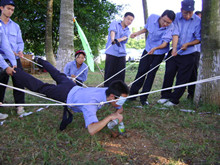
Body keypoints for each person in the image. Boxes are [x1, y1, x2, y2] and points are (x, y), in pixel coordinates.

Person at [10, 57, 129, 136]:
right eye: (122, 100)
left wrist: (119, 109)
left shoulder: (107, 91)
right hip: (65, 94)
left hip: (71, 85)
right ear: (112, 96)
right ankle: (15, 72)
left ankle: (39, 60)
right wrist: (110, 117)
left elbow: (116, 103)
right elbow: (92, 130)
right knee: (40, 87)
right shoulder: (92, 103)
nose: (122, 102)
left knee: (57, 74)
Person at [157, 0, 201, 106]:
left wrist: (188, 44)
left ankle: (174, 100)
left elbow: (198, 39)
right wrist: (174, 49)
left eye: (190, 12)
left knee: (182, 77)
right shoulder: (176, 17)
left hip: (189, 53)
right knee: (169, 73)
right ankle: (165, 95)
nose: (188, 15)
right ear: (181, 10)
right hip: (175, 51)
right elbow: (175, 33)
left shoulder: (197, 20)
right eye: (185, 12)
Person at [129, 10, 175, 106]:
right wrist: (137, 33)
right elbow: (146, 29)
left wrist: (156, 48)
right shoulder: (152, 17)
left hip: (159, 52)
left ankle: (144, 98)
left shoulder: (171, 27)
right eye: (164, 21)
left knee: (151, 74)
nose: (165, 24)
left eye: (168, 22)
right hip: (148, 49)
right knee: (141, 71)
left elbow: (164, 43)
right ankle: (132, 95)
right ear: (161, 17)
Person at [0, 0, 26, 115]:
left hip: (15, 59)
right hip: (2, 59)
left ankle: (20, 106)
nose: (10, 11)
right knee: (1, 83)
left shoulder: (15, 26)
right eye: (8, 8)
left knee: (19, 82)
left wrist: (20, 51)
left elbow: (20, 42)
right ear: (1, 8)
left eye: (12, 10)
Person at [104, 12, 134, 87]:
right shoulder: (115, 23)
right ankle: (107, 91)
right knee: (109, 73)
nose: (129, 21)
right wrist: (113, 39)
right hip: (111, 52)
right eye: (128, 19)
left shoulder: (128, 30)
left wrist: (118, 40)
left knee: (120, 75)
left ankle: (118, 92)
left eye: (131, 20)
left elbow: (125, 37)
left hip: (121, 54)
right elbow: (112, 31)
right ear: (124, 18)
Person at [187, 11, 202, 99]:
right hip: (190, 51)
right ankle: (191, 93)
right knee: (191, 73)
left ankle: (193, 93)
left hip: (198, 52)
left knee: (194, 73)